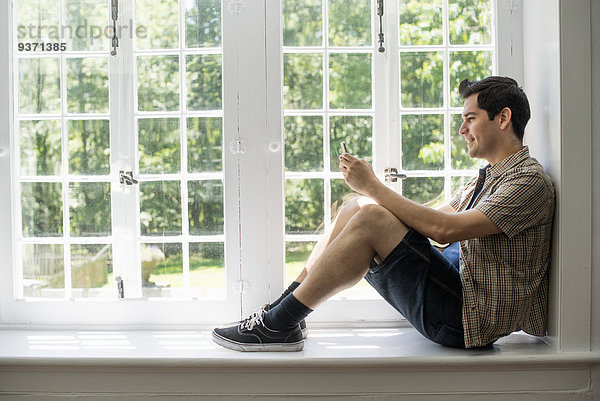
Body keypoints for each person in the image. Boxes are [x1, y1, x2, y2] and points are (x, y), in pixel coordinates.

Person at [212, 76, 555, 351]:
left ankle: (277, 324)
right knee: (359, 209)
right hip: (455, 297)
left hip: (468, 321)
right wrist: (366, 195)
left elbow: (443, 230)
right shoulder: (488, 177)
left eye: (470, 119)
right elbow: (429, 221)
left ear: (504, 118)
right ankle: (282, 315)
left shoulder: (527, 182)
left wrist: (374, 186)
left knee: (371, 215)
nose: (462, 130)